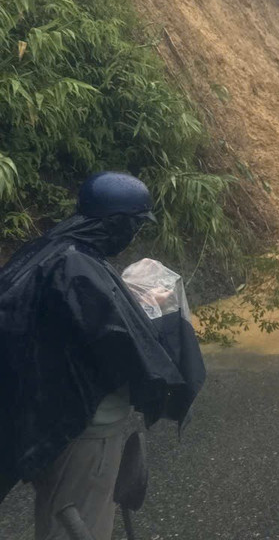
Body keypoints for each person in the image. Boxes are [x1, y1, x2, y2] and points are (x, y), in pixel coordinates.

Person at [0, 172, 196, 539]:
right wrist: (151, 315)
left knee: (59, 516)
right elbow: (121, 346)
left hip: (44, 424)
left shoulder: (45, 251)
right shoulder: (79, 267)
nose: (133, 236)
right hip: (84, 429)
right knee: (80, 525)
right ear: (117, 223)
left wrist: (129, 303)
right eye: (134, 227)